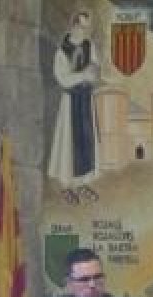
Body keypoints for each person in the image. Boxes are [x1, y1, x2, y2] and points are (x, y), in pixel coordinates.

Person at [46, 11, 99, 203]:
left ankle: (83, 183)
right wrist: (82, 75)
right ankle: (67, 187)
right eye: (83, 27)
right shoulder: (62, 51)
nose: (86, 31)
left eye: (88, 27)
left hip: (85, 100)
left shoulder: (89, 46)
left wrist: (90, 73)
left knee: (86, 141)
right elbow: (63, 78)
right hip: (70, 103)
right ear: (74, 26)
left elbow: (94, 70)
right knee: (69, 144)